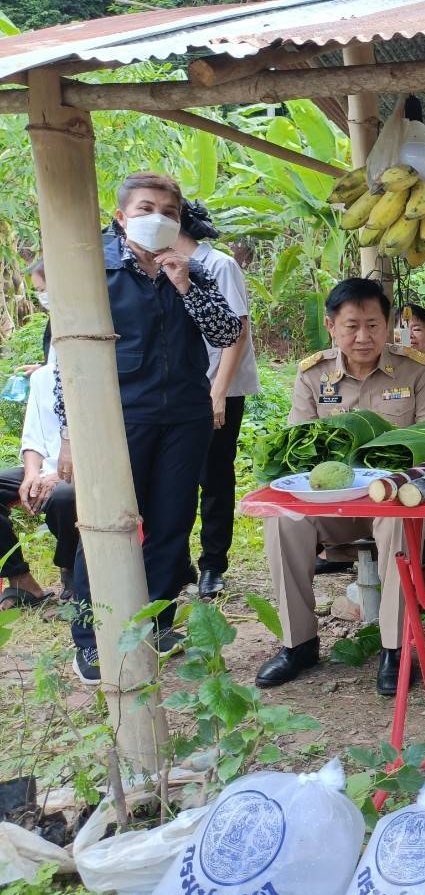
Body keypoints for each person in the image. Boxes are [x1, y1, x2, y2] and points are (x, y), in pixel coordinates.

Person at [60, 172, 242, 686]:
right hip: (119, 417)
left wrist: (186, 284)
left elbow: (227, 331)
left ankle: (157, 625)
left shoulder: (192, 270)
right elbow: (64, 357)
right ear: (121, 216)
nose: (157, 217)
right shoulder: (95, 269)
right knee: (103, 526)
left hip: (185, 416)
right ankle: (91, 640)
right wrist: (71, 432)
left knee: (170, 522)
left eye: (168, 209)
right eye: (145, 208)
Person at [255, 278, 425, 697]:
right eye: (352, 326)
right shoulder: (313, 374)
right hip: (331, 501)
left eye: (373, 325)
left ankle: (396, 648)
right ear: (331, 326)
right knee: (284, 522)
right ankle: (298, 643)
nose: (363, 337)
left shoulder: (416, 368)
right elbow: (298, 449)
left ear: (389, 323)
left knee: (395, 524)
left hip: (393, 499)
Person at [175, 200, 260, 599]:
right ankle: (176, 562)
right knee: (175, 480)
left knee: (214, 477)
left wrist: (218, 392)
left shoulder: (219, 265)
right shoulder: (158, 268)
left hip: (217, 388)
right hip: (178, 390)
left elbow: (237, 332)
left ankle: (213, 565)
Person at [0, 363, 75, 608]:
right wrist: (32, 474)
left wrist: (57, 477)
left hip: (88, 470)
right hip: (45, 468)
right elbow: (33, 438)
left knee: (65, 495)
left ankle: (73, 573)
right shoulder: (43, 377)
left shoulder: (104, 370)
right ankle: (21, 580)